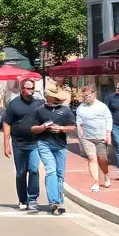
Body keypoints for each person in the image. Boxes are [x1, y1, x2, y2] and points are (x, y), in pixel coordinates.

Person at [32, 83, 77, 215]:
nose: (48, 98)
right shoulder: (39, 110)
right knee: (51, 170)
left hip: (61, 145)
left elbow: (73, 127)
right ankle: (54, 200)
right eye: (47, 96)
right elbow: (33, 129)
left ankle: (59, 201)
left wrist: (61, 128)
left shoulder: (65, 110)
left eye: (50, 96)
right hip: (44, 143)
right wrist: (43, 127)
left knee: (60, 174)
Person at [2, 78, 43, 212]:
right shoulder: (13, 105)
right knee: (21, 173)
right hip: (18, 144)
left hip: (34, 143)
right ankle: (22, 199)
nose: (30, 91)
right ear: (21, 89)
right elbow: (6, 124)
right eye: (27, 88)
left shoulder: (39, 104)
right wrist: (6, 145)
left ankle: (32, 198)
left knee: (34, 170)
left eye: (32, 88)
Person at [75, 85, 113, 192]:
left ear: (94, 94)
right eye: (84, 95)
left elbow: (108, 119)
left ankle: (106, 175)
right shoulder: (81, 108)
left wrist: (108, 134)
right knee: (92, 158)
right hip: (87, 138)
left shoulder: (102, 106)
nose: (86, 97)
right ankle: (96, 182)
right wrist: (81, 137)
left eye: (88, 95)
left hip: (101, 137)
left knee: (102, 159)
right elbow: (79, 123)